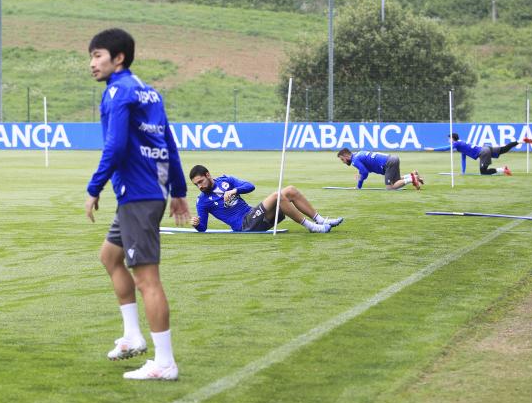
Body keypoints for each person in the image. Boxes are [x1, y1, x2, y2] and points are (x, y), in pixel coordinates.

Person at [85, 28, 190, 381]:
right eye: (91, 56)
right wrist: (178, 189)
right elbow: (169, 143)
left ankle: (165, 363)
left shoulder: (118, 91)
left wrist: (94, 187)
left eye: (98, 55)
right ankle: (132, 337)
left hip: (138, 195)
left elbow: (114, 147)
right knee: (110, 257)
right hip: (148, 192)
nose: (92, 63)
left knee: (148, 281)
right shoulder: (149, 91)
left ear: (119, 58)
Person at [189, 165, 343, 234]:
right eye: (196, 184)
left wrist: (234, 190)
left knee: (290, 190)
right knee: (277, 196)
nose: (199, 186)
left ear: (208, 175)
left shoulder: (226, 180)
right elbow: (203, 227)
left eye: (200, 182)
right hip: (244, 226)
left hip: (254, 216)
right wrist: (196, 224)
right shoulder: (202, 201)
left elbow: (250, 186)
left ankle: (321, 220)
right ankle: (311, 226)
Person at [425, 133, 532, 175]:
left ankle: (503, 169)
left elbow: (445, 149)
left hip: (483, 153)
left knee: (483, 172)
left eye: (449, 139)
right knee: (504, 149)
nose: (448, 140)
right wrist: (463, 171)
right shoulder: (461, 144)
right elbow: (463, 158)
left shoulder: (456, 144)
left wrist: (433, 149)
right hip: (485, 149)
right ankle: (522, 141)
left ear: (452, 139)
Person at [336, 148, 424, 190]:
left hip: (388, 163)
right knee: (396, 181)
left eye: (342, 159)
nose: (343, 162)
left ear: (346, 156)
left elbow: (365, 172)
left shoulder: (354, 160)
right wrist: (359, 185)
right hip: (392, 158)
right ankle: (413, 175)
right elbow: (363, 171)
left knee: (390, 187)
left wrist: (360, 180)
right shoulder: (358, 154)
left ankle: (412, 179)